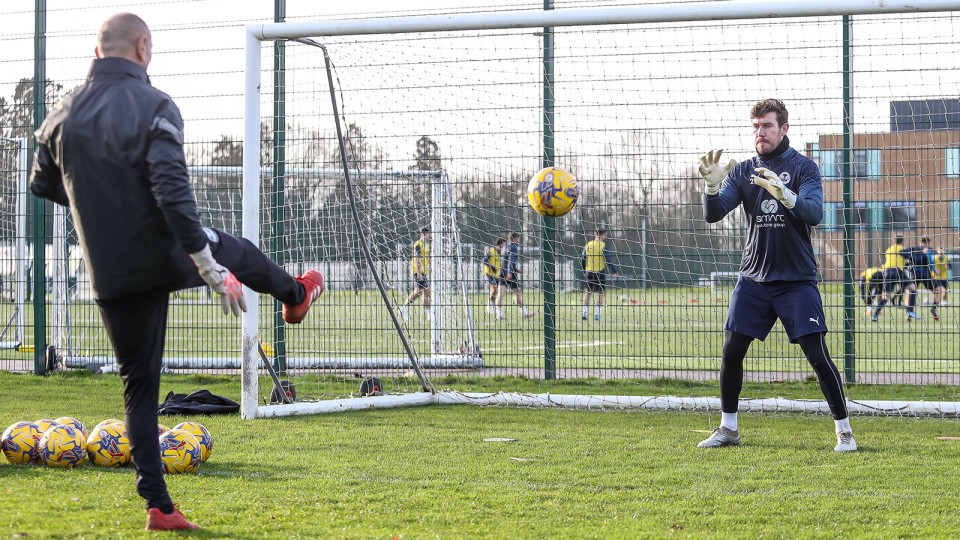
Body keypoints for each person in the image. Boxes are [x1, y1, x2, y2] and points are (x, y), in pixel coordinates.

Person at [29, 13, 325, 531]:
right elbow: (172, 194)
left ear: (96, 53)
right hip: (164, 250)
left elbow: (43, 185)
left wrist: (101, 210)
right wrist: (209, 268)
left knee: (139, 391)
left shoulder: (60, 113)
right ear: (143, 47)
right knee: (238, 250)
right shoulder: (155, 104)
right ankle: (295, 293)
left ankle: (159, 508)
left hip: (110, 270)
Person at [696, 98, 856, 452]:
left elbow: (814, 213)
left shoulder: (804, 168)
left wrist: (784, 193)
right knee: (732, 351)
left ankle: (844, 431)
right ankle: (729, 429)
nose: (760, 133)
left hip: (796, 280)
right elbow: (714, 214)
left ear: (784, 128)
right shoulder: (743, 170)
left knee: (817, 354)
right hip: (753, 278)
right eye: (755, 126)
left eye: (767, 126)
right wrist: (709, 189)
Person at [872, 235, 920, 322]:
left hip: (887, 272)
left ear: (893, 241)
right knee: (913, 289)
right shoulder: (902, 248)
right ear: (902, 241)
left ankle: (875, 315)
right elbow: (908, 257)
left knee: (885, 297)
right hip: (898, 271)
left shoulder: (888, 250)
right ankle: (910, 311)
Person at [580, 229, 618, 321]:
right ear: (603, 235)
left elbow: (583, 258)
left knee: (588, 293)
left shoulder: (588, 245)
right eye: (605, 235)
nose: (605, 236)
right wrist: (614, 271)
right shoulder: (604, 246)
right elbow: (608, 260)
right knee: (601, 293)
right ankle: (597, 315)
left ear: (595, 234)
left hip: (589, 273)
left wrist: (584, 270)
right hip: (599, 273)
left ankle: (584, 314)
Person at [495, 231, 534, 320]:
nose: (519, 239)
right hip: (509, 274)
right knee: (507, 293)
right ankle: (500, 315)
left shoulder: (506, 247)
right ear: (514, 238)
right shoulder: (513, 248)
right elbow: (510, 261)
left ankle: (524, 313)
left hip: (504, 273)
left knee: (514, 292)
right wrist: (509, 272)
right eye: (518, 238)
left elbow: (505, 261)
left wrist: (517, 270)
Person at [400, 226, 431, 321]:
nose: (428, 236)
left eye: (429, 234)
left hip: (424, 272)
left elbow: (427, 258)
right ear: (422, 234)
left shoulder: (426, 245)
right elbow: (416, 259)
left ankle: (404, 308)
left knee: (418, 292)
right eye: (426, 234)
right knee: (426, 291)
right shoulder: (418, 244)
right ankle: (429, 312)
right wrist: (418, 273)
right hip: (418, 272)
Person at [482, 238, 505, 314]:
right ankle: (491, 306)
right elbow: (484, 260)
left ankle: (490, 304)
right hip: (489, 273)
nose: (504, 246)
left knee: (495, 291)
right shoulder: (491, 251)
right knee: (495, 289)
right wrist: (491, 266)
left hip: (497, 275)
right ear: (499, 244)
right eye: (503, 244)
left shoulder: (501, 253)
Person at [931, 246, 951, 321]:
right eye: (940, 251)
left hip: (944, 278)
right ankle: (934, 307)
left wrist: (947, 267)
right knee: (940, 291)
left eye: (943, 251)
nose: (941, 252)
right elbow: (931, 266)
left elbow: (950, 266)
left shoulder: (947, 258)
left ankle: (944, 302)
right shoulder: (934, 258)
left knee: (945, 292)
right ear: (938, 251)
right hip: (936, 278)